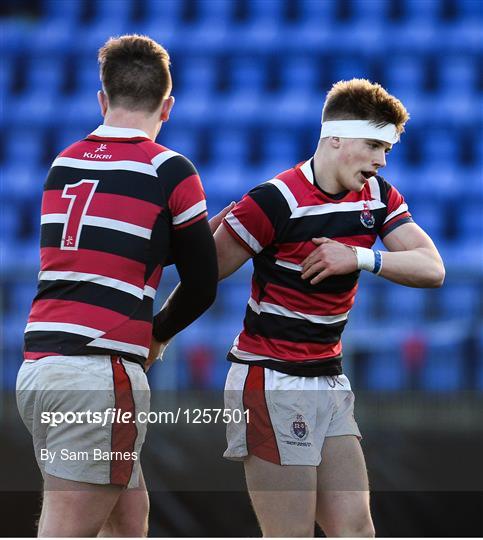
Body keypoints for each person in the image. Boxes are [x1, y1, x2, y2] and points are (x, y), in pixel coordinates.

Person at [214, 79, 445, 537]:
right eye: (375, 145)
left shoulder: (377, 196)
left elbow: (432, 268)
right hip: (271, 378)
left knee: (356, 531)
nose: (381, 160)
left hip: (327, 376)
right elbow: (208, 271)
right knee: (290, 534)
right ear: (335, 137)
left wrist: (358, 256)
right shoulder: (275, 199)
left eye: (387, 149)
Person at [16, 34, 221, 537]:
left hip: (40, 369)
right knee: (68, 530)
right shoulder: (168, 168)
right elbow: (201, 285)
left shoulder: (64, 162)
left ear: (102, 100)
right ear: (167, 106)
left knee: (129, 522)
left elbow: (115, 248)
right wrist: (158, 335)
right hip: (98, 375)